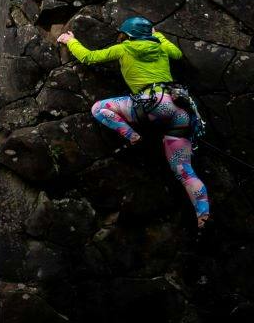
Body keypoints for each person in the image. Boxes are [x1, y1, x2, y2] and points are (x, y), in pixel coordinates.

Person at [58, 15, 209, 229]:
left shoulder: (125, 48)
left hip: (152, 104)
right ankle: (203, 214)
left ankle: (133, 136)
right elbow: (177, 53)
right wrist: (159, 36)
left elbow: (89, 57)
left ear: (127, 35)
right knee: (184, 170)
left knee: (99, 108)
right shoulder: (162, 48)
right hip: (179, 110)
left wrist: (70, 40)